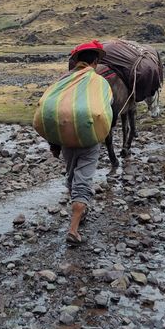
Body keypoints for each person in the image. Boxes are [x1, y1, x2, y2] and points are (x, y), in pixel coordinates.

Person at [49, 40, 109, 246]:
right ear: (95, 61)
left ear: (76, 61)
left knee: (72, 172)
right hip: (89, 138)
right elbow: (105, 109)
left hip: (65, 137)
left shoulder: (63, 80)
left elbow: (52, 108)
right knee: (83, 179)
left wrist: (54, 141)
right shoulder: (99, 82)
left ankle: (78, 210)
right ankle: (73, 230)